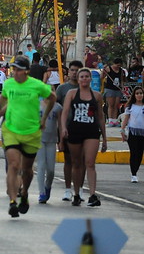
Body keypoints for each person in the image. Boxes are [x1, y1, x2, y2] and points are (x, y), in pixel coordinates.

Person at [0, 55, 55, 218]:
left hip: (31, 132)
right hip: (11, 130)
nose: (15, 72)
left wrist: (43, 120)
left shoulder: (37, 85)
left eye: (18, 69)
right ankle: (13, 201)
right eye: (13, 69)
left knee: (27, 170)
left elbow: (52, 98)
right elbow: (4, 97)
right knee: (13, 165)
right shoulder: (9, 84)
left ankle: (25, 193)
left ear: (26, 71)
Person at [60, 68, 106, 207]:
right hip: (75, 130)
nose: (84, 79)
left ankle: (92, 194)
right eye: (82, 77)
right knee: (76, 163)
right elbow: (65, 112)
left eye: (87, 76)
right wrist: (63, 128)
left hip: (91, 131)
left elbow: (101, 117)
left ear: (90, 79)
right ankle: (76, 194)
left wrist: (104, 137)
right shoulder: (72, 93)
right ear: (78, 79)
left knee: (90, 163)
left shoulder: (97, 96)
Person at [55, 60, 84, 201]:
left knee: (81, 161)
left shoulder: (86, 89)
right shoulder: (62, 89)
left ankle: (80, 189)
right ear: (69, 71)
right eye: (72, 70)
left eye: (77, 70)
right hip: (65, 128)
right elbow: (56, 109)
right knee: (68, 160)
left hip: (83, 128)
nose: (74, 73)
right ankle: (67, 189)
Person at [36, 100, 62, 204]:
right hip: (39, 139)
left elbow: (60, 124)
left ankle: (47, 186)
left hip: (52, 140)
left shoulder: (57, 107)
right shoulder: (36, 104)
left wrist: (61, 140)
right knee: (41, 165)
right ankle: (42, 192)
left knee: (51, 170)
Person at [121, 87, 144, 183]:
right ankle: (133, 174)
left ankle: (136, 171)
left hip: (142, 133)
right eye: (137, 93)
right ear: (134, 95)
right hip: (133, 133)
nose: (139, 95)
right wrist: (122, 131)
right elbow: (126, 119)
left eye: (141, 93)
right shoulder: (130, 107)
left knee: (140, 154)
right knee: (134, 154)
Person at [102, 58, 124, 127]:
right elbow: (101, 77)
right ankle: (110, 120)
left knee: (116, 105)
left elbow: (122, 80)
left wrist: (122, 88)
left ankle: (115, 120)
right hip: (110, 89)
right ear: (114, 64)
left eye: (120, 65)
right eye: (117, 65)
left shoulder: (121, 70)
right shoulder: (109, 69)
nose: (118, 67)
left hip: (118, 89)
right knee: (111, 105)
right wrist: (104, 71)